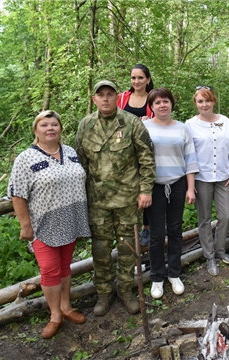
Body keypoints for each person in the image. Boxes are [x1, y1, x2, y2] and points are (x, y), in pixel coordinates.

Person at [76, 80, 156, 316]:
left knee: (127, 248)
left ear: (116, 97)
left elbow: (147, 159)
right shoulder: (85, 125)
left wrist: (146, 190)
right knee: (100, 249)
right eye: (100, 95)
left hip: (128, 200)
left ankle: (125, 290)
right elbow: (80, 162)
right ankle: (103, 293)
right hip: (97, 201)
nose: (105, 99)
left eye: (110, 94)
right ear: (94, 99)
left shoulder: (131, 123)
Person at [10, 110, 91, 339]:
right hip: (43, 224)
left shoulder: (71, 152)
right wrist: (25, 225)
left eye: (54, 124)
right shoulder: (26, 158)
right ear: (36, 130)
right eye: (44, 125)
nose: (50, 128)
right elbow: (17, 194)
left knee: (65, 266)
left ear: (60, 128)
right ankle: (55, 315)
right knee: (49, 270)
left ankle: (66, 307)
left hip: (71, 219)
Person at [143, 88, 198, 298]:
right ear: (152, 106)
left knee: (175, 230)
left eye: (165, 101)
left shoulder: (182, 129)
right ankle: (157, 277)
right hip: (153, 187)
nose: (162, 105)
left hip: (177, 184)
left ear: (171, 104)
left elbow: (190, 159)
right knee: (156, 234)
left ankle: (174, 273)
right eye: (157, 102)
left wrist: (190, 188)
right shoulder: (143, 127)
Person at [186, 86, 229, 275]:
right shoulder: (190, 125)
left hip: (224, 177)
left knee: (225, 216)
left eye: (207, 100)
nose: (204, 104)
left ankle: (220, 251)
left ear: (213, 101)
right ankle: (209, 257)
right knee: (205, 219)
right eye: (200, 101)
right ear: (196, 104)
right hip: (202, 177)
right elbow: (189, 154)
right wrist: (190, 184)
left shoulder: (224, 121)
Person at [117, 64, 154, 246]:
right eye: (133, 78)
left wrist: (151, 121)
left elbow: (162, 118)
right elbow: (112, 119)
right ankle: (127, 229)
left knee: (147, 186)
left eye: (140, 78)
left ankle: (147, 228)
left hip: (147, 150)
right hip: (124, 150)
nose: (136, 81)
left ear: (148, 79)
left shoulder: (154, 98)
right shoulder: (122, 98)